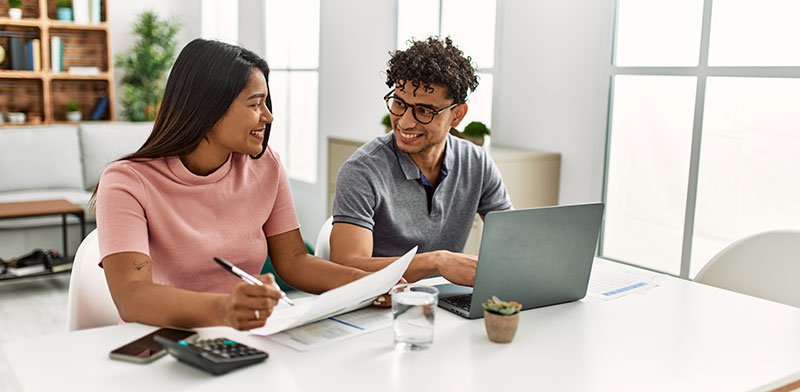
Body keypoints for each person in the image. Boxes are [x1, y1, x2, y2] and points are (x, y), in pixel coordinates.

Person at [94, 39, 368, 331]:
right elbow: (132, 296)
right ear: (208, 108)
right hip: (163, 341)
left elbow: (294, 260)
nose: (268, 116)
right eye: (255, 104)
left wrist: (366, 284)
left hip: (242, 337)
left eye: (266, 103)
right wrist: (225, 309)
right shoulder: (127, 182)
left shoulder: (265, 164)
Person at [329, 37, 512, 287]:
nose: (405, 122)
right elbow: (347, 265)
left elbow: (513, 242)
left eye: (424, 111)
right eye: (399, 104)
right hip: (380, 305)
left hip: (445, 303)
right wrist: (437, 262)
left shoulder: (477, 163)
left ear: (457, 115)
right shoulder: (361, 170)